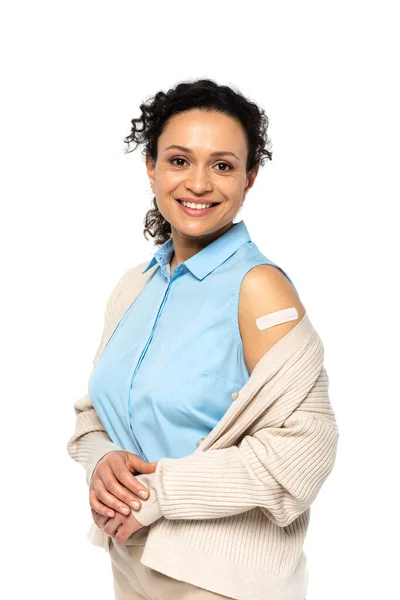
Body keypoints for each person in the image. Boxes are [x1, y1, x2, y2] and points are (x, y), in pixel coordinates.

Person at [67, 78, 339, 600]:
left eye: (222, 165)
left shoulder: (258, 288)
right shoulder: (135, 286)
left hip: (222, 582)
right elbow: (95, 412)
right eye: (178, 160)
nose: (198, 184)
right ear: (150, 167)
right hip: (131, 562)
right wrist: (102, 460)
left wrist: (157, 493)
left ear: (249, 177)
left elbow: (307, 451)